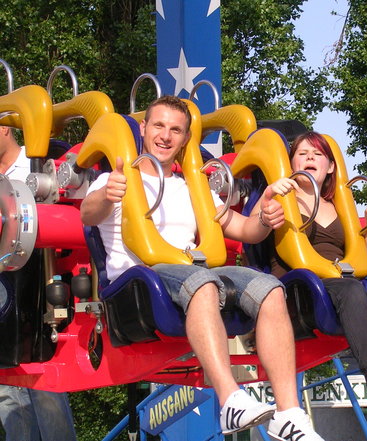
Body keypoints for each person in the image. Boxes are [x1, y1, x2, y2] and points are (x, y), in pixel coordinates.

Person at [80, 96, 325, 440]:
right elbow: (87, 215)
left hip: (189, 271)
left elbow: (241, 229)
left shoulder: (190, 187)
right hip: (138, 282)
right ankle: (230, 401)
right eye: (159, 126)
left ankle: (288, 413)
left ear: (184, 139)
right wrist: (107, 194)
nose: (165, 136)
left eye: (175, 130)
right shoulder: (114, 178)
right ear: (144, 129)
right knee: (202, 281)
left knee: (269, 287)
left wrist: (266, 217)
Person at [263, 131, 367, 431]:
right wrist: (268, 199)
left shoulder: (339, 205)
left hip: (341, 280)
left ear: (331, 167)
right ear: (291, 162)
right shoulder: (281, 198)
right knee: (350, 289)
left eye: (318, 154)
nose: (310, 158)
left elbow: (361, 258)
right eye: (303, 152)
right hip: (303, 286)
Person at [0, 125, 77, 441]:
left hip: (39, 286)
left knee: (46, 385)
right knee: (6, 390)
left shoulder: (39, 165)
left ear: (5, 127)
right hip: (5, 290)